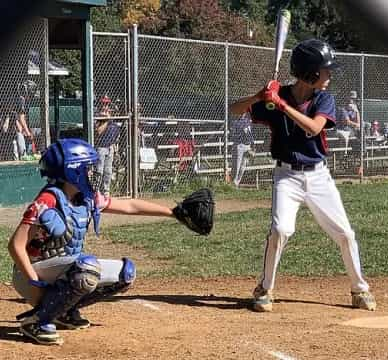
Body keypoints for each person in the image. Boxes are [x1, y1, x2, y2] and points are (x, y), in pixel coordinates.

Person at [7, 138, 204, 345]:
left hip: (59, 270)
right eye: (86, 168)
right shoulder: (48, 201)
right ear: (71, 170)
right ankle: (38, 321)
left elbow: (130, 207)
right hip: (30, 274)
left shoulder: (86, 197)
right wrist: (35, 283)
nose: (91, 172)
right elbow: (16, 245)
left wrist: (173, 213)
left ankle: (62, 311)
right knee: (87, 268)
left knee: (125, 273)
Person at [229, 39, 376, 313]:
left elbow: (313, 128)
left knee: (345, 233)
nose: (329, 76)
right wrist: (259, 96)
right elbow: (234, 109)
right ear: (309, 72)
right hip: (287, 177)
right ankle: (264, 289)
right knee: (281, 230)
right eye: (325, 70)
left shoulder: (324, 99)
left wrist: (282, 106)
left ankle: (359, 290)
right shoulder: (275, 97)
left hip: (319, 177)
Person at [95, 95, 120, 197]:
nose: (106, 106)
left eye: (107, 104)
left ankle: (106, 191)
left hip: (110, 147)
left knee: (108, 171)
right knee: (99, 170)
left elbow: (115, 133)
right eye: (104, 103)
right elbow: (98, 132)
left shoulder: (111, 116)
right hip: (101, 147)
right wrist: (106, 120)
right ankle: (96, 191)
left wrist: (115, 148)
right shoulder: (97, 115)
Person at [231, 112, 255, 187]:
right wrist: (243, 130)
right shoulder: (235, 122)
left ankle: (237, 182)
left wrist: (253, 144)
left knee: (243, 166)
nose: (242, 113)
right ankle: (233, 182)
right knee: (236, 166)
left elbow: (250, 133)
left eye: (243, 112)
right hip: (239, 145)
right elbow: (234, 134)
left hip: (247, 145)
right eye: (240, 112)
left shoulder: (247, 121)